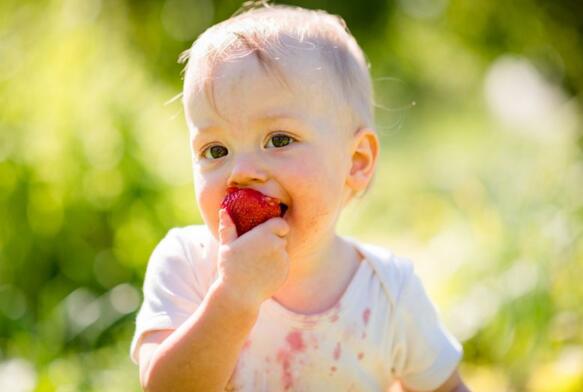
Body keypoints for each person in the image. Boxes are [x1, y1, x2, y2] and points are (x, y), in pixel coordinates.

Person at [130, 3, 469, 391]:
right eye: (215, 150)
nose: (241, 172)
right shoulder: (188, 264)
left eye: (278, 140)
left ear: (355, 162)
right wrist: (233, 297)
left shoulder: (390, 293)